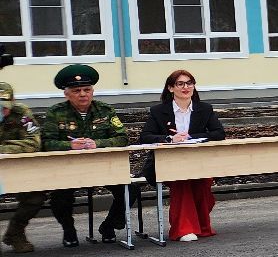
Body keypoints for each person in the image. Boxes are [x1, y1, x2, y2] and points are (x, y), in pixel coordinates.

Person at [11, 65, 136, 246]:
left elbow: (122, 137)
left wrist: (97, 144)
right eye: (77, 91)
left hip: (103, 166)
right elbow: (45, 143)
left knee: (129, 190)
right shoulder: (56, 112)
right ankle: (69, 229)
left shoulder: (105, 110)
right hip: (68, 169)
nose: (83, 94)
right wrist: (69, 145)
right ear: (67, 94)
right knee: (59, 198)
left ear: (92, 91)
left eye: (87, 90)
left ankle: (108, 226)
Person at [137, 70, 227, 242]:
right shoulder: (158, 111)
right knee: (182, 180)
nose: (186, 87)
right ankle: (183, 229)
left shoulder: (204, 109)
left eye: (189, 83)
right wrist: (170, 138)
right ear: (171, 88)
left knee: (202, 181)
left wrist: (191, 137)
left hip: (198, 161)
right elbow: (145, 137)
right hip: (166, 163)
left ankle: (202, 227)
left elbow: (219, 133)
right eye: (180, 84)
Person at [2, 79, 44, 254]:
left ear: (12, 102)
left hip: (17, 166)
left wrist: (3, 149)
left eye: (4, 105)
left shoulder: (21, 113)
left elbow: (34, 143)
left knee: (36, 196)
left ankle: (15, 232)